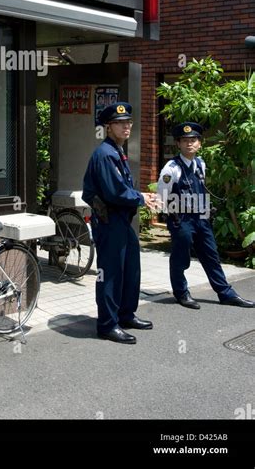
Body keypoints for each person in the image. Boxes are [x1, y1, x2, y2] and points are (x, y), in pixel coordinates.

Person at [82, 102, 158, 344]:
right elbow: (115, 192)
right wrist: (141, 198)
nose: (126, 127)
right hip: (109, 221)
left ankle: (125, 315)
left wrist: (140, 196)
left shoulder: (117, 151)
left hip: (121, 221)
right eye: (120, 123)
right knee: (111, 274)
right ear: (108, 127)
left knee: (130, 270)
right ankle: (107, 324)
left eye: (128, 123)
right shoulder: (105, 154)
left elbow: (122, 187)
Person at [157, 122, 254, 309]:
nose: (189, 144)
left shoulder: (200, 164)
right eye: (185, 140)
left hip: (201, 218)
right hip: (182, 219)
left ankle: (226, 293)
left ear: (199, 143)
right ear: (178, 144)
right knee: (181, 258)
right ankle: (181, 293)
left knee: (211, 255)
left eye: (193, 140)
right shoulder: (171, 168)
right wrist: (173, 218)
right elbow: (161, 197)